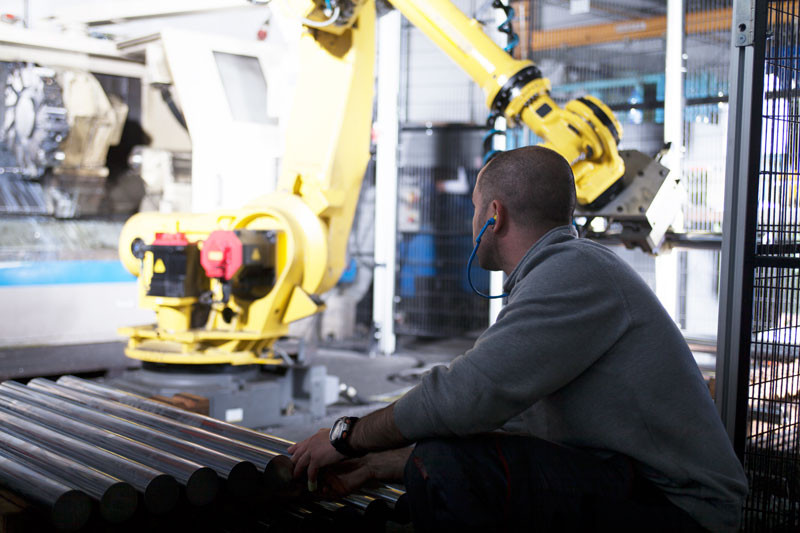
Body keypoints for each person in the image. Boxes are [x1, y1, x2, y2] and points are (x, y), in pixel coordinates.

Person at [288, 146, 748, 532]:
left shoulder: (573, 273)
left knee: (450, 466)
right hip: (632, 484)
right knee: (451, 454)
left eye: (474, 208)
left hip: (682, 511)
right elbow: (511, 423)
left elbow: (464, 397)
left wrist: (348, 436)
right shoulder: (564, 272)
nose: (472, 220)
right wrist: (377, 464)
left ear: (494, 215)